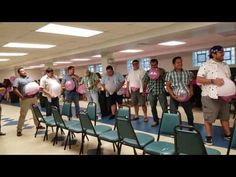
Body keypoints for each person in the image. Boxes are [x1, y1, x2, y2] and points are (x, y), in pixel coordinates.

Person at [196, 45, 231, 145]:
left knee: (225, 117)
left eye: (223, 52)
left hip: (224, 96)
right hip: (209, 96)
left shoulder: (225, 65)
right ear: (213, 54)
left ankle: (228, 134)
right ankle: (208, 137)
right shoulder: (205, 65)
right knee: (209, 118)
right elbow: (199, 79)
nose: (223, 54)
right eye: (221, 52)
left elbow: (228, 80)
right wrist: (213, 81)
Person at [13, 67, 44, 136]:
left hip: (34, 98)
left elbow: (34, 86)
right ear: (19, 73)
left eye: (24, 70)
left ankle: (38, 125)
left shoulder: (30, 78)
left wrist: (38, 89)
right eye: (22, 71)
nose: (24, 72)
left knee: (36, 113)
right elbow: (14, 89)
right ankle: (19, 130)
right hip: (25, 99)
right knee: (23, 115)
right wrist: (21, 96)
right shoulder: (17, 80)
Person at [165, 56, 194, 126]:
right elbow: (168, 86)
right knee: (173, 113)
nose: (180, 64)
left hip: (186, 96)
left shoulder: (187, 72)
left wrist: (191, 92)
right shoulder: (170, 73)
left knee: (189, 113)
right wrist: (173, 96)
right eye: (178, 62)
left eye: (181, 62)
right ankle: (176, 127)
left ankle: (191, 127)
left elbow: (190, 84)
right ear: (174, 64)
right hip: (175, 96)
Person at [143, 59, 168, 127]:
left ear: (157, 64)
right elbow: (145, 81)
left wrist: (160, 74)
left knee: (164, 107)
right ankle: (155, 120)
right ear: (150, 65)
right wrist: (144, 91)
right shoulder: (148, 72)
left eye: (155, 65)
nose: (153, 66)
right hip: (152, 91)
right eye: (152, 65)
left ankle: (166, 121)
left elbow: (166, 79)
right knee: (153, 107)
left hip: (161, 91)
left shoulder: (162, 70)